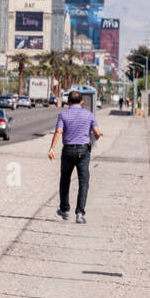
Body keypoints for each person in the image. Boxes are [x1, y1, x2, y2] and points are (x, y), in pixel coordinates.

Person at [48, 90, 103, 223]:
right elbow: (97, 132)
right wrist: (94, 139)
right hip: (83, 151)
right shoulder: (88, 115)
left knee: (65, 180)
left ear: (68, 102)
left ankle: (64, 209)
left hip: (67, 150)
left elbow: (58, 131)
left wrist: (51, 149)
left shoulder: (63, 114)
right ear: (82, 102)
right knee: (83, 182)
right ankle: (80, 213)